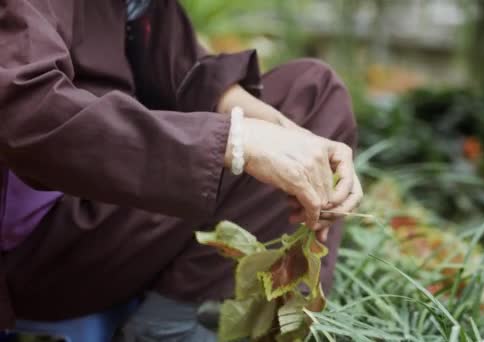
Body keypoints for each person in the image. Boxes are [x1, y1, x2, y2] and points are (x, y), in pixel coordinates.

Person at [0, 0, 362, 340]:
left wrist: (291, 138)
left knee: (312, 94)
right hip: (42, 248)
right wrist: (236, 143)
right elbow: (27, 112)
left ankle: (172, 318)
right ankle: (169, 330)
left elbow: (178, 69)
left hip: (99, 212)